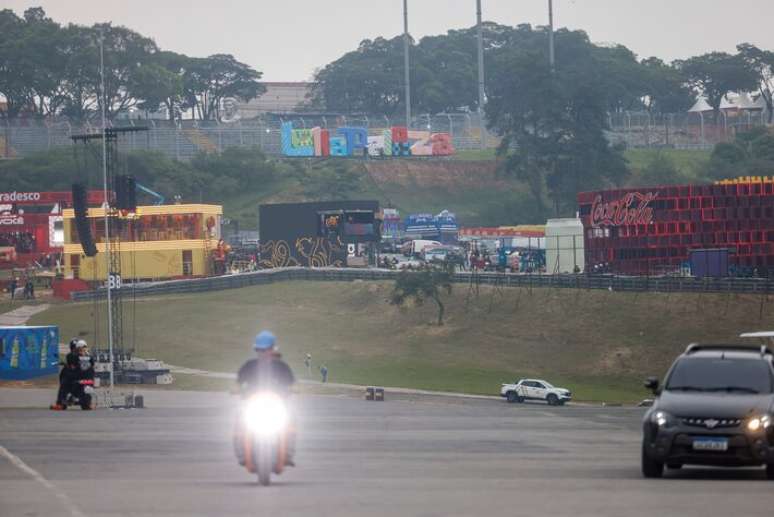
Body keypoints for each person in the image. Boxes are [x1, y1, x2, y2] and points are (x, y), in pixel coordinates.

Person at [234, 331, 296, 466]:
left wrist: (291, 390)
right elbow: (239, 382)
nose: (263, 352)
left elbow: (291, 383)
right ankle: (241, 453)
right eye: (260, 349)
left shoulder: (282, 367)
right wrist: (237, 390)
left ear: (273, 348)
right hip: (253, 404)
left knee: (290, 421)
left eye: (266, 349)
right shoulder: (249, 365)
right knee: (239, 422)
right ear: (256, 350)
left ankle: (288, 453)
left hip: (276, 404)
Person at [51, 339, 86, 410]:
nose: (74, 349)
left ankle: (60, 403)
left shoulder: (71, 355)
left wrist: (68, 366)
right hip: (81, 375)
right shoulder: (82, 355)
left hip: (76, 376)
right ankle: (65, 400)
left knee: (63, 384)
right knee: (64, 383)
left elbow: (72, 366)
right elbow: (72, 365)